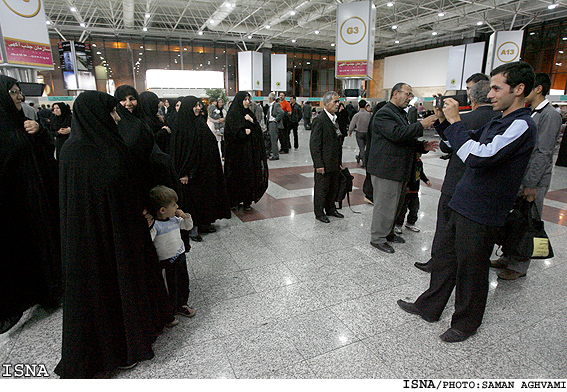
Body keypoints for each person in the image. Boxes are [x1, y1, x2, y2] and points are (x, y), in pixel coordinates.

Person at [397, 61, 537, 343]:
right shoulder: (499, 120)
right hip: (463, 201)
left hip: (483, 209)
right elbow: (463, 145)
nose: (491, 94)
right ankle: (429, 306)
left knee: (472, 269)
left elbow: (479, 155)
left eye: (497, 88)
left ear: (519, 89)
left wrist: (457, 122)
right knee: (445, 259)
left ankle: (466, 323)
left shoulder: (522, 124)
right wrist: (443, 122)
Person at [55, 90, 172, 378]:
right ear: (95, 115)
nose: (118, 116)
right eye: (112, 112)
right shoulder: (73, 151)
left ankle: (135, 335)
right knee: (106, 287)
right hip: (94, 239)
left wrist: (143, 206)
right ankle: (115, 348)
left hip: (123, 229)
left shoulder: (111, 144)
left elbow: (128, 183)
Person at [414, 79, 500, 273]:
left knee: (445, 228)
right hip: (485, 188)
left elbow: (446, 146)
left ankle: (439, 263)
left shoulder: (464, 120)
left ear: (472, 96)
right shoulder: (502, 121)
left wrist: (446, 120)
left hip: (457, 182)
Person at [0, 75, 60, 334]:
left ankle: (50, 291)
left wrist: (40, 133)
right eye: (13, 92)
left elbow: (45, 154)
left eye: (18, 92)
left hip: (36, 199)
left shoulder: (23, 123)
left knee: (43, 245)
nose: (19, 97)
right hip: (12, 207)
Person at [491, 73, 563, 280]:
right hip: (520, 177)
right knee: (514, 220)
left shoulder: (550, 115)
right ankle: (508, 256)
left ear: (538, 89)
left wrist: (531, 184)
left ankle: (519, 266)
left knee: (527, 222)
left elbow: (543, 152)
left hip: (534, 181)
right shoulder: (531, 113)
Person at [367, 83, 438, 253]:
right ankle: (378, 238)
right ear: (396, 93)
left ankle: (388, 233)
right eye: (407, 94)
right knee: (385, 206)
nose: (409, 98)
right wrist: (421, 125)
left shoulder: (399, 113)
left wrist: (422, 147)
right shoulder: (384, 113)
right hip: (386, 169)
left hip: (399, 169)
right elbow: (397, 134)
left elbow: (405, 137)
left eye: (411, 95)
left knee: (396, 205)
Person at [170, 96, 231, 241]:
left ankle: (204, 224)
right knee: (193, 203)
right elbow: (178, 152)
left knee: (204, 199)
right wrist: (183, 172)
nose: (198, 108)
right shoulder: (181, 126)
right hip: (190, 174)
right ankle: (193, 229)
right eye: (195, 105)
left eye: (199, 105)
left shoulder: (199, 123)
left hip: (204, 171)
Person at [149, 186, 196, 323]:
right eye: (174, 205)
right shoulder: (156, 226)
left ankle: (182, 304)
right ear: (163, 210)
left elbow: (188, 226)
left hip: (180, 257)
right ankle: (169, 312)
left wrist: (185, 216)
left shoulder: (175, 220)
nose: (177, 207)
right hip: (166, 262)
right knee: (169, 286)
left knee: (183, 282)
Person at [224, 91, 269, 210]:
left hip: (248, 153)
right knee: (235, 176)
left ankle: (247, 200)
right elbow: (230, 133)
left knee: (248, 176)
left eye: (248, 100)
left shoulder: (249, 114)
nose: (247, 102)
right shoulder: (233, 114)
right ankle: (234, 200)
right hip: (236, 154)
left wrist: (252, 123)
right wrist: (243, 132)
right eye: (245, 99)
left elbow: (258, 132)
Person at [309, 91, 343, 223]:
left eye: (338, 101)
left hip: (334, 161)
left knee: (333, 187)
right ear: (326, 103)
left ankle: (330, 208)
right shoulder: (319, 120)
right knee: (321, 188)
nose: (337, 104)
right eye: (335, 102)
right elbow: (314, 144)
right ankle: (319, 212)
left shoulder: (335, 119)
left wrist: (339, 161)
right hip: (323, 162)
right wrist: (318, 164)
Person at [394, 151, 431, 234]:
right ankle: (398, 224)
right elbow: (404, 175)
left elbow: (421, 173)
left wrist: (426, 180)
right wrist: (405, 186)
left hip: (415, 191)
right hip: (407, 191)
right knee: (402, 209)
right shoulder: (409, 163)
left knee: (414, 208)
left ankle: (410, 223)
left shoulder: (419, 162)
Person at [348, 99, 372, 167]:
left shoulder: (357, 115)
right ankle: (359, 157)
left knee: (361, 147)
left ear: (359, 105)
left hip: (359, 133)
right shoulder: (369, 114)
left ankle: (364, 162)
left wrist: (350, 131)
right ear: (365, 106)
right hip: (367, 133)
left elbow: (352, 124)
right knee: (366, 147)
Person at [267, 93, 284, 161]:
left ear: (271, 98)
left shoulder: (276, 105)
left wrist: (276, 119)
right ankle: (269, 152)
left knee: (273, 140)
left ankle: (275, 155)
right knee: (270, 139)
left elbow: (281, 112)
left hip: (273, 124)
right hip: (270, 124)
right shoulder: (271, 105)